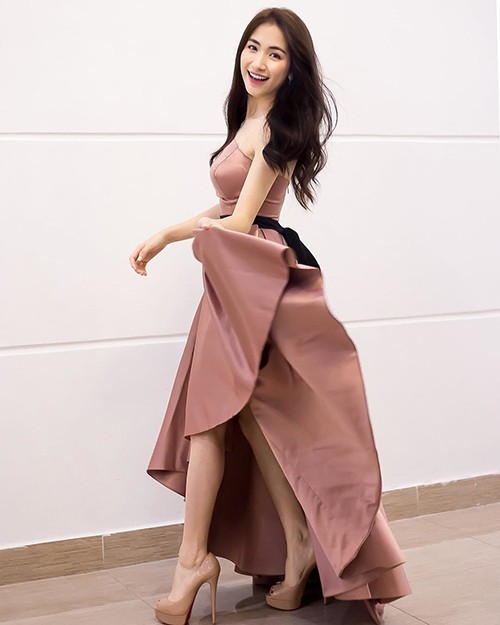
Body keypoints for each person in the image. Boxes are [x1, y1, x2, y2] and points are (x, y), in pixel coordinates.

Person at [129, 7, 411, 625]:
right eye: (252, 47)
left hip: (257, 276)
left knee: (213, 415)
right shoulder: (247, 120)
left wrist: (185, 237)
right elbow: (229, 207)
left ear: (292, 69)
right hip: (238, 273)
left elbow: (238, 221)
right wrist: (167, 234)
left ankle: (193, 561)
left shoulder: (279, 129)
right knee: (248, 417)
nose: (258, 62)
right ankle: (298, 542)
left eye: (275, 54)